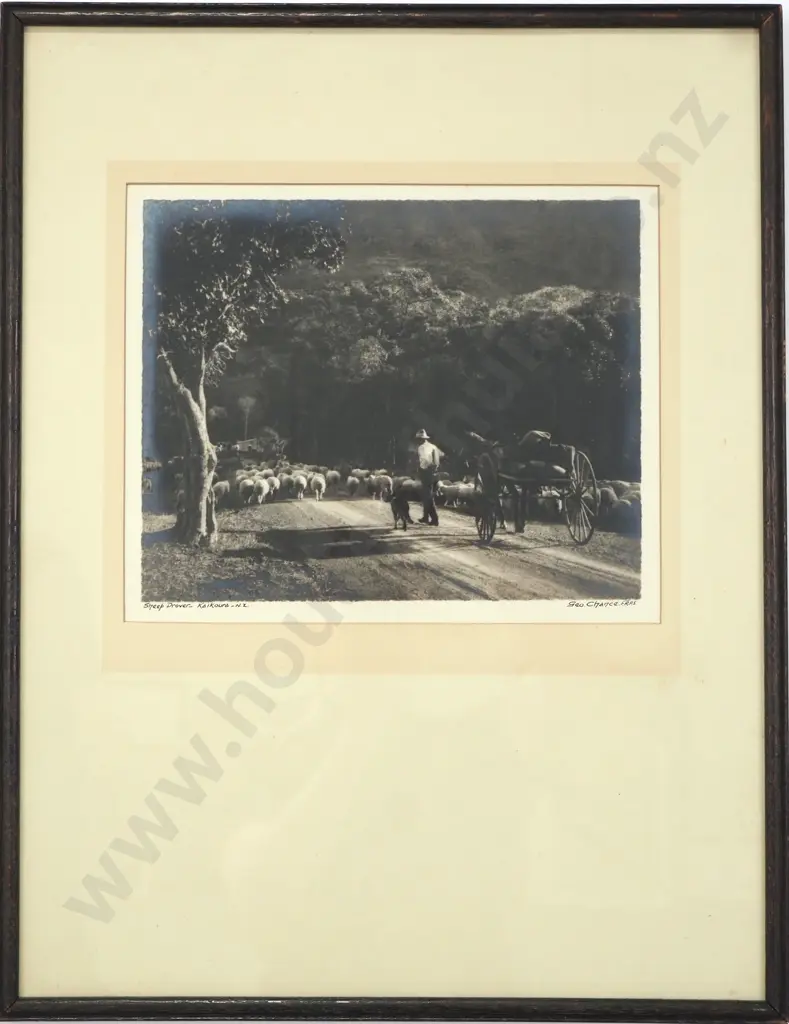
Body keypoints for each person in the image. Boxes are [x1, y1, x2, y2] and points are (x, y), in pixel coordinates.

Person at [414, 428, 440, 526]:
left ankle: (434, 519)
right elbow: (437, 460)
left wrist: (422, 469)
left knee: (427, 496)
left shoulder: (421, 448)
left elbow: (425, 460)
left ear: (421, 439)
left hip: (426, 473)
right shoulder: (433, 447)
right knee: (428, 495)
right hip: (434, 473)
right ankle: (426, 517)